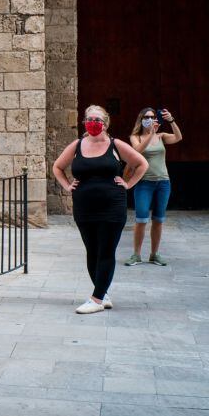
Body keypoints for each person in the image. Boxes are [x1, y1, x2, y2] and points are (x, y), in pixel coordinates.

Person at [52, 104, 148, 314]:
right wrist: (67, 185)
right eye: (89, 119)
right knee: (92, 251)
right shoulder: (77, 145)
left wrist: (128, 184)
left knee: (106, 250)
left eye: (97, 120)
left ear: (105, 124)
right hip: (84, 207)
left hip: (112, 206)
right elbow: (57, 167)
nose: (93, 123)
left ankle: (96, 300)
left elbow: (141, 164)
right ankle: (102, 293)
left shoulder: (116, 145)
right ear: (84, 122)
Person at [126, 107, 182, 266]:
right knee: (141, 219)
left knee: (158, 219)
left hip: (163, 182)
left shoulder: (161, 136)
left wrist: (171, 120)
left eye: (152, 116)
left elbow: (178, 137)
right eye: (146, 117)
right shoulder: (135, 137)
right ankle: (136, 255)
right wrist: (150, 133)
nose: (149, 119)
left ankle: (154, 254)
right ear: (141, 119)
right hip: (143, 182)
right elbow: (137, 150)